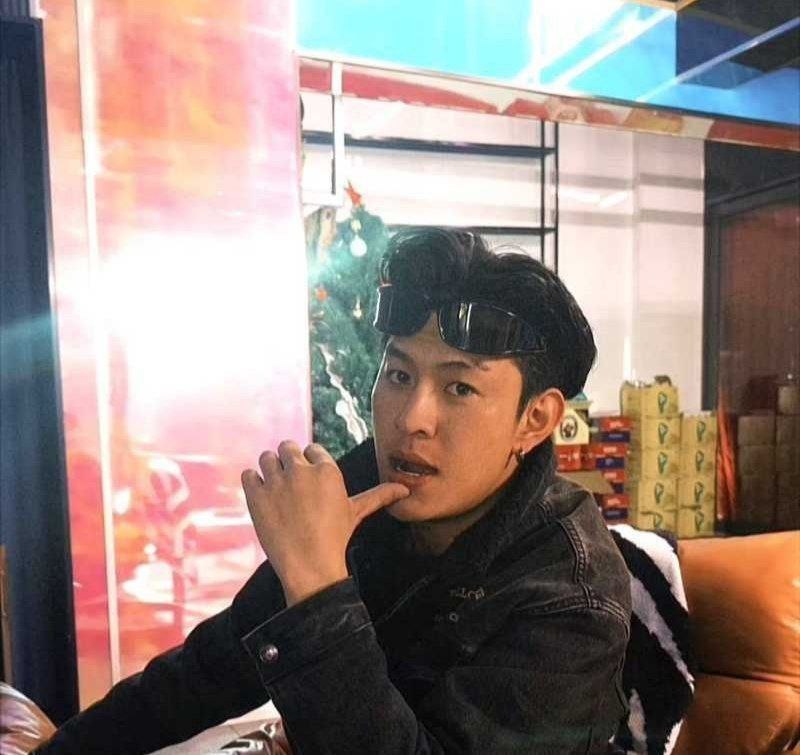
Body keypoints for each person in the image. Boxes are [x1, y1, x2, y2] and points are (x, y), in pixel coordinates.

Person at [35, 228, 631, 755]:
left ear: (534, 420)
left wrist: (319, 589)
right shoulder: (363, 496)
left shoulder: (569, 597)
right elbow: (206, 674)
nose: (411, 418)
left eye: (459, 390)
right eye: (399, 375)